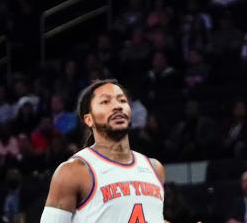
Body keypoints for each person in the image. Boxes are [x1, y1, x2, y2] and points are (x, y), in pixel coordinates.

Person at [41, 79, 167, 223]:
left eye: (122, 101)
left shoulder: (154, 168)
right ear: (89, 120)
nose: (117, 107)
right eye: (105, 102)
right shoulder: (73, 172)